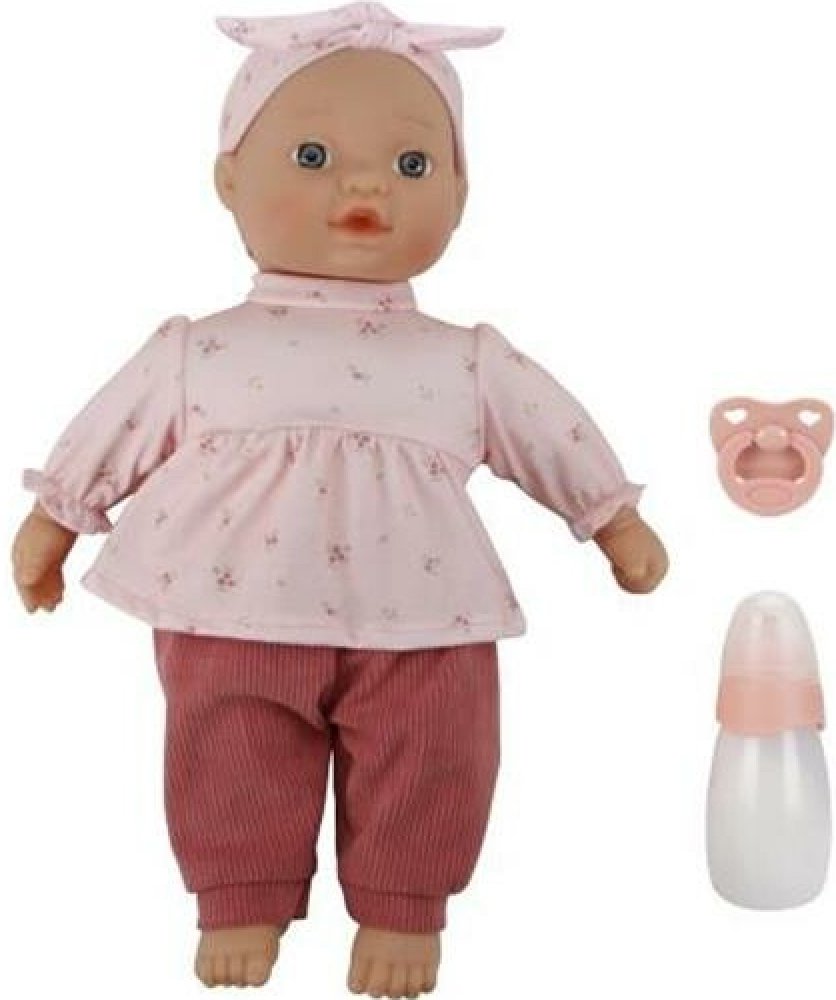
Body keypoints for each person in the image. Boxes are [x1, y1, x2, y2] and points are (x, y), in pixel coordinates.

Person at [12, 5, 668, 996]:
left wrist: (611, 518)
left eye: (412, 165)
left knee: (433, 751)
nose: (366, 186)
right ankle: (240, 893)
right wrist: (55, 517)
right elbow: (115, 428)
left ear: (460, 195)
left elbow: (550, 429)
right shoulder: (200, 348)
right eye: (313, 156)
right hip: (232, 605)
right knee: (229, 747)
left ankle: (405, 903)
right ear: (230, 179)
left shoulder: (464, 358)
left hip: (424, 613)